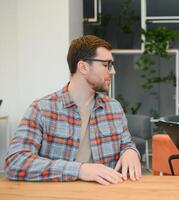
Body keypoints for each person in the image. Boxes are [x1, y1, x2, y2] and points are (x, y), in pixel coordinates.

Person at [4, 35, 141, 185]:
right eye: (106, 64)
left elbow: (126, 144)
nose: (113, 71)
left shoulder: (114, 108)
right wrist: (80, 170)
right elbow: (15, 162)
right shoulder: (42, 109)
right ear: (83, 67)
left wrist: (130, 151)